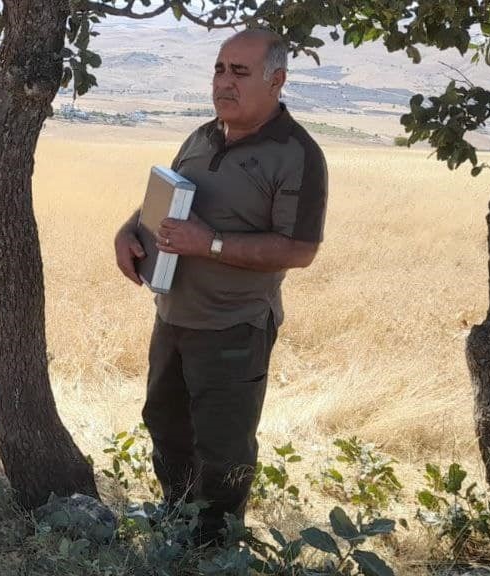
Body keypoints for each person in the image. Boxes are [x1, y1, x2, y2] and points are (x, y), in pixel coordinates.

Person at [112, 28, 328, 545]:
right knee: (165, 423)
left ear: (277, 80)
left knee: (224, 447)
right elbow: (166, 198)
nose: (224, 83)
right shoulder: (202, 135)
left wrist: (208, 244)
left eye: (240, 72)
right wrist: (128, 229)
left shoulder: (297, 154)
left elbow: (300, 250)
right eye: (219, 69)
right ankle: (176, 517)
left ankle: (214, 545)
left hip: (234, 326)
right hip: (173, 316)